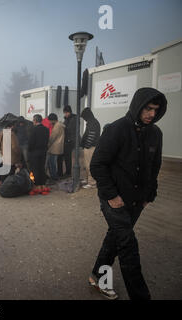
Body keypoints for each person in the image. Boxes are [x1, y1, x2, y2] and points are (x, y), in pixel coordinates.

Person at [89, 88, 167, 300]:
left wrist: (149, 195)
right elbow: (97, 165)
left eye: (155, 110)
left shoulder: (156, 134)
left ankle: (98, 277)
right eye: (148, 108)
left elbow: (154, 167)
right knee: (128, 247)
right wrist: (111, 196)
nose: (151, 114)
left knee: (114, 240)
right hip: (113, 200)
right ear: (137, 106)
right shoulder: (116, 129)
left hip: (137, 201)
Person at [28, 114, 49, 195]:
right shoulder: (46, 130)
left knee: (35, 169)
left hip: (35, 152)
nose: (33, 122)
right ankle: (43, 185)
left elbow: (31, 143)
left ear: (35, 121)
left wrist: (30, 151)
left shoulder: (34, 130)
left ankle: (36, 186)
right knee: (42, 168)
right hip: (43, 152)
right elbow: (47, 141)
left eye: (33, 120)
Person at [80, 108, 100, 188]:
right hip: (89, 147)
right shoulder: (92, 122)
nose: (84, 119)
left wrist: (86, 146)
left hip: (90, 148)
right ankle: (87, 179)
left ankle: (92, 183)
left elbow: (91, 136)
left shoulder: (93, 123)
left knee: (89, 165)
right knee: (86, 165)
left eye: (84, 117)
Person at [58, 105, 77, 178]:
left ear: (69, 112)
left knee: (67, 157)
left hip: (70, 140)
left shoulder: (74, 119)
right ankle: (64, 173)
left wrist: (63, 126)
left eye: (66, 113)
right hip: (66, 140)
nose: (65, 114)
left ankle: (68, 173)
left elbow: (70, 129)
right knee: (64, 157)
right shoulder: (67, 119)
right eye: (64, 113)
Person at [46, 113, 65, 182]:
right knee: (54, 163)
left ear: (53, 120)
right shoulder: (60, 125)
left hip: (54, 147)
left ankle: (54, 177)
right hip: (58, 146)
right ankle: (55, 176)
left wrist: (47, 144)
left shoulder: (57, 126)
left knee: (52, 163)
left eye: (50, 121)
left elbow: (52, 137)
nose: (50, 123)